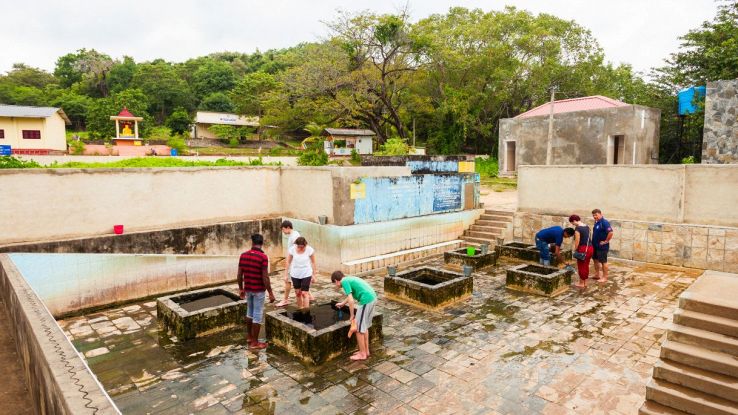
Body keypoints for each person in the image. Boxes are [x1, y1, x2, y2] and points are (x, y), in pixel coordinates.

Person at [237, 233, 276, 349]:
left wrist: (241, 288)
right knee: (257, 314)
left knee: (250, 312)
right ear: (262, 243)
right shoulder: (263, 257)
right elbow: (265, 277)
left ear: (252, 243)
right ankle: (255, 343)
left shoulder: (243, 255)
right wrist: (270, 292)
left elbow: (239, 275)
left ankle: (250, 336)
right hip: (259, 290)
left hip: (248, 289)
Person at [332, 271, 377, 361]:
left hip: (366, 300)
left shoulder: (344, 282)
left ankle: (362, 354)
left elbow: (351, 300)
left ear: (336, 281)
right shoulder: (348, 279)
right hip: (372, 298)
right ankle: (366, 351)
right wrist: (343, 303)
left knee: (358, 329)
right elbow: (350, 296)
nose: (336, 286)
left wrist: (352, 315)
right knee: (364, 327)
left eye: (334, 283)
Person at [285, 236, 317, 309]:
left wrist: (314, 275)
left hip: (306, 273)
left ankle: (306, 311)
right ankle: (300, 308)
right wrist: (286, 275)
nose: (301, 248)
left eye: (302, 247)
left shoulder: (309, 250)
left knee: (304, 293)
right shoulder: (292, 249)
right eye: (299, 247)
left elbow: (313, 262)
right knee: (298, 293)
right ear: (296, 245)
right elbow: (288, 262)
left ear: (305, 245)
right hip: (295, 274)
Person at [276, 220, 301, 307]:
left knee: (288, 281)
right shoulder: (295, 234)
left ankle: (285, 300)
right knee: (298, 281)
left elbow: (296, 251)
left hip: (293, 264)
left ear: (288, 228)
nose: (283, 232)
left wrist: (288, 263)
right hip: (295, 264)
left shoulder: (294, 236)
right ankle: (310, 296)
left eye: (283, 229)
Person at [569, 215, 594, 288]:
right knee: (586, 265)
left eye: (572, 223)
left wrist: (576, 249)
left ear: (574, 221)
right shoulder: (587, 227)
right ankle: (585, 282)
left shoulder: (578, 228)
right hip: (590, 248)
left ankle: (581, 283)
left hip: (582, 248)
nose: (573, 224)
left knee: (581, 266)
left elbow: (577, 241)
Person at [592, 208, 614, 283]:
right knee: (595, 260)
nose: (595, 216)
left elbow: (610, 232)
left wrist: (606, 241)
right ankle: (597, 274)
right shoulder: (597, 222)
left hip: (602, 247)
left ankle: (605, 277)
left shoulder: (604, 222)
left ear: (600, 214)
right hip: (595, 245)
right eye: (593, 215)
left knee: (603, 262)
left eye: (596, 215)